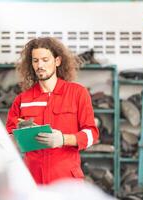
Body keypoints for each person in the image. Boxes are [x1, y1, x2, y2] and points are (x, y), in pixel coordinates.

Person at [6, 37, 99, 185]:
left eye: (45, 60)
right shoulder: (23, 100)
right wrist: (14, 139)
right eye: (35, 60)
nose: (40, 65)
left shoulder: (77, 93)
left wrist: (63, 139)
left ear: (57, 61)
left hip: (67, 180)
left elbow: (91, 134)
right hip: (33, 181)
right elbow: (9, 135)